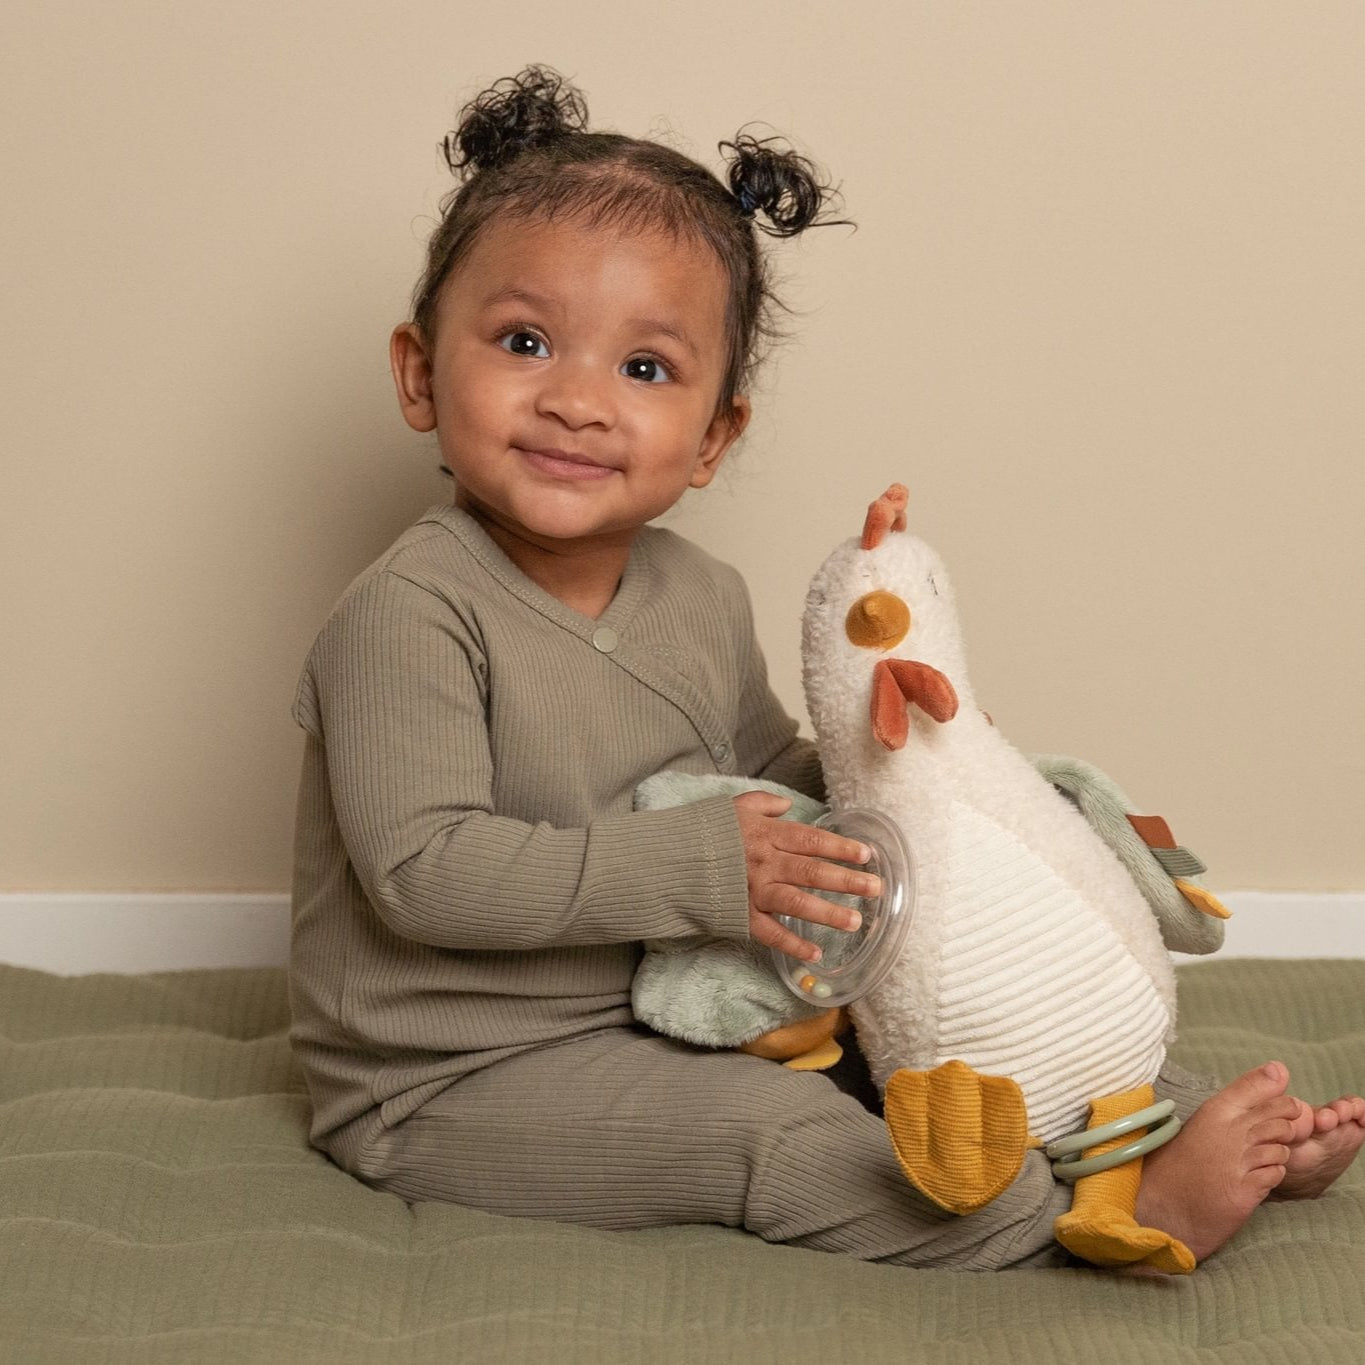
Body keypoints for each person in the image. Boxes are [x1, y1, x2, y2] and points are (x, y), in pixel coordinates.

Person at [289, 65, 1365, 1271]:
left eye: (645, 368)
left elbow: (759, 772)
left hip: (689, 1000)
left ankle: (1152, 1114)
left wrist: (900, 767)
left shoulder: (697, 595)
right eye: (526, 341)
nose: (579, 401)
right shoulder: (409, 614)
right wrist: (711, 868)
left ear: (714, 437)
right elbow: (426, 875)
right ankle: (1097, 1222)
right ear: (421, 372)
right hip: (466, 1073)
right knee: (781, 1134)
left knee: (957, 1032)